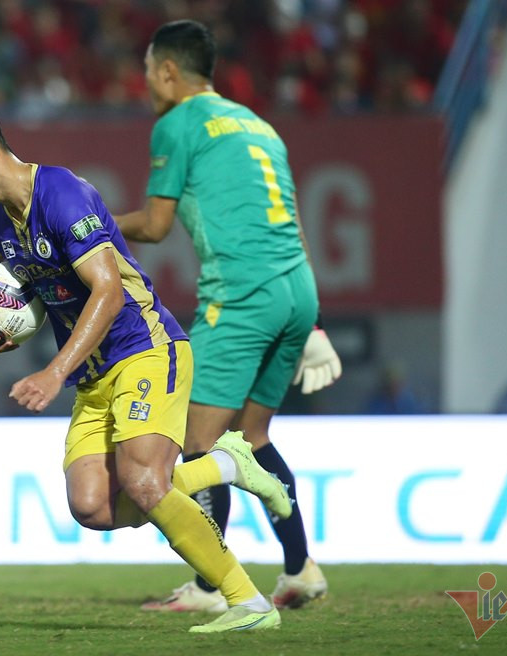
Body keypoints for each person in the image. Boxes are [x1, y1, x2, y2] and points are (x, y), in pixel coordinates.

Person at [0, 99, 294, 633]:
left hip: (147, 348)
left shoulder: (62, 193)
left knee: (143, 483)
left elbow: (108, 291)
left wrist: (54, 372)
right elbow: (44, 296)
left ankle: (249, 604)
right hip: (95, 376)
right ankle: (224, 466)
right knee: (92, 508)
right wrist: (1, 335)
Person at [115, 20, 342, 613]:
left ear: (169, 71)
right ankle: (301, 569)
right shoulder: (259, 126)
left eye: (148, 71)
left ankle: (212, 587)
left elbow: (156, 226)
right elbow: (292, 224)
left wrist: (89, 229)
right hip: (297, 290)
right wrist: (314, 322)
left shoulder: (178, 123)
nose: (146, 83)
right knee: (253, 438)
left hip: (242, 295)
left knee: (198, 441)